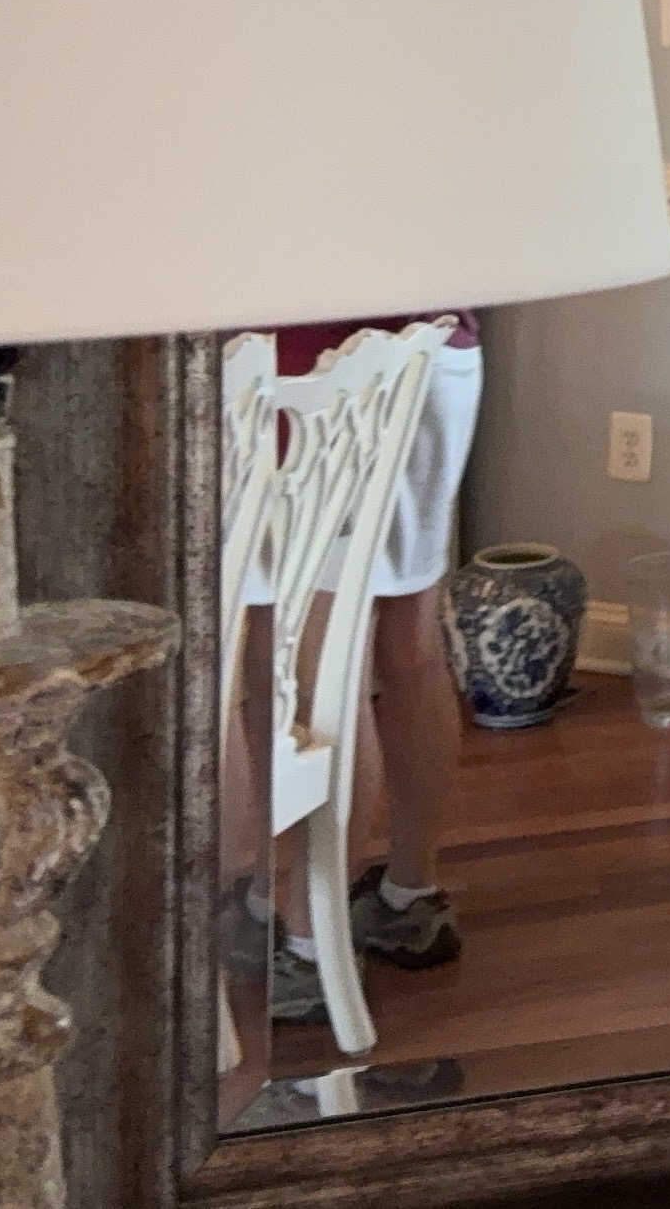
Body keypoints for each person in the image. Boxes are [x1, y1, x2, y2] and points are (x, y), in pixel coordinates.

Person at [253, 311, 485, 1026]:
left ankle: (309, 942)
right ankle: (410, 894)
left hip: (317, 370)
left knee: (323, 668)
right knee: (410, 640)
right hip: (437, 350)